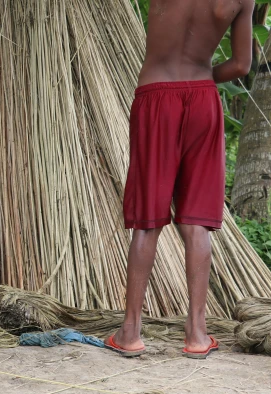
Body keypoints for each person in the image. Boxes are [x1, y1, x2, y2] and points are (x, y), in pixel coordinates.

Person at [106, 0, 254, 359]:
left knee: (147, 223)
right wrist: (200, 77)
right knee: (196, 223)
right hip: (203, 100)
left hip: (155, 97)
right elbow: (240, 65)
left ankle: (130, 333)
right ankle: (197, 335)